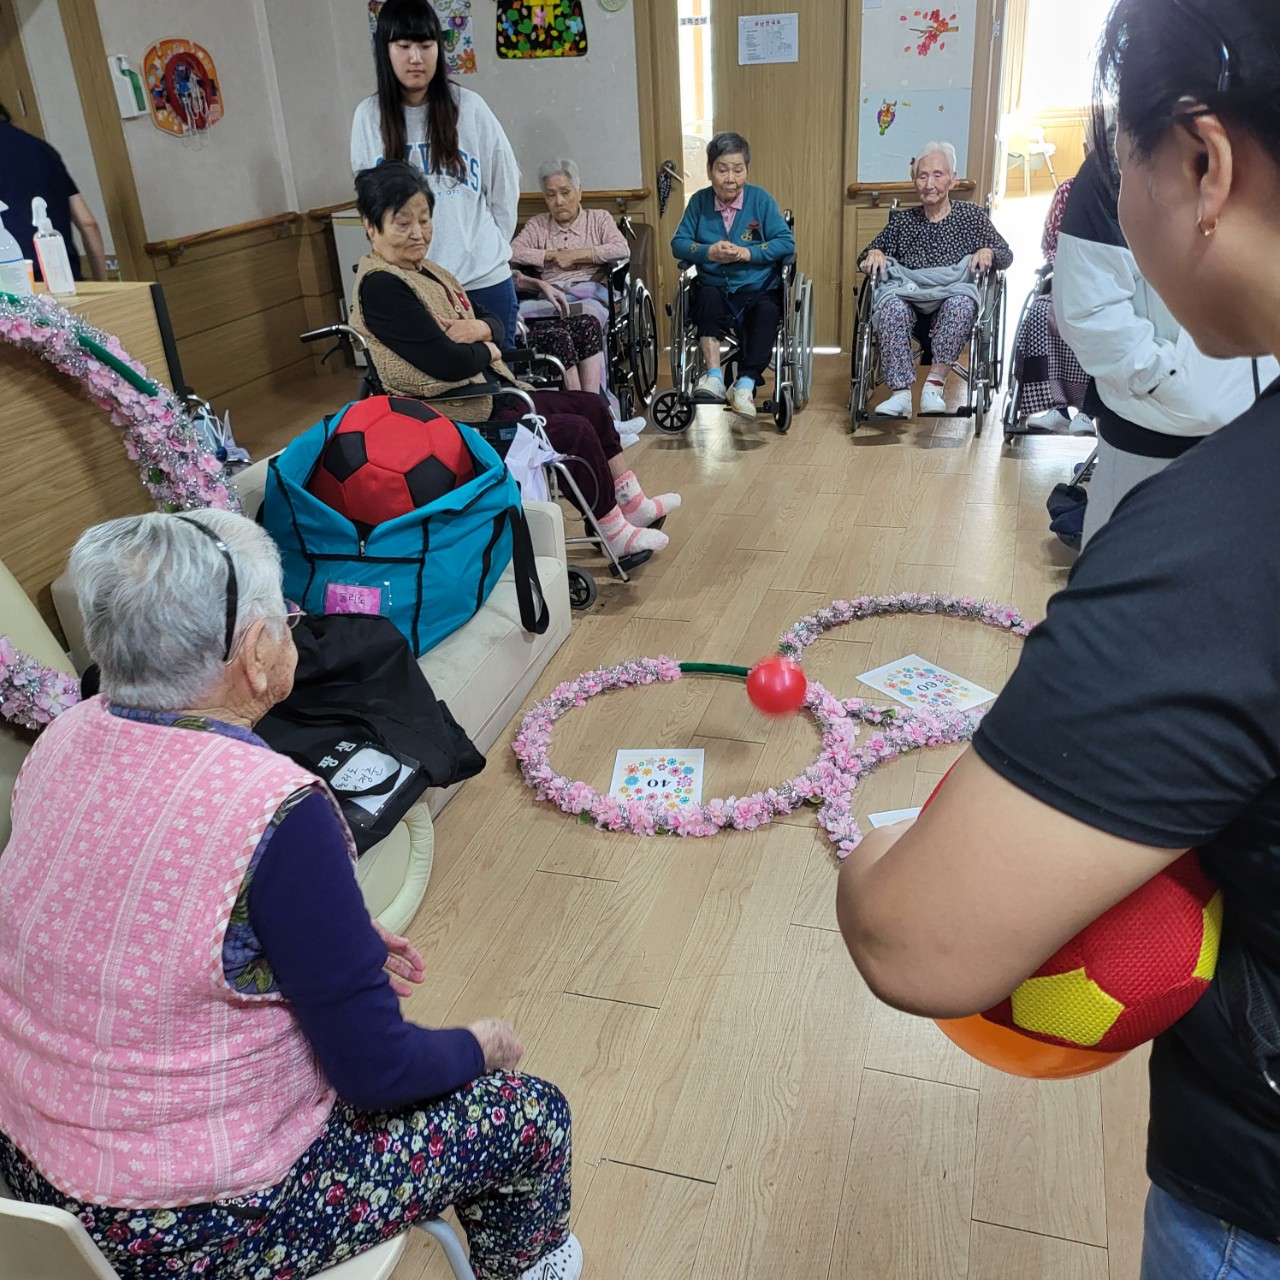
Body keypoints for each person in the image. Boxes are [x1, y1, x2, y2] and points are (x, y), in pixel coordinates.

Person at [836, 2, 1280, 1275]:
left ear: (1201, 163)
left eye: (1117, 160)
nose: (1111, 198)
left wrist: (872, 854)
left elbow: (917, 934)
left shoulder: (1214, 546)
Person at [0, 509, 580, 1280]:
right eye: (286, 620)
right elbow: (376, 1073)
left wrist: (313, 934)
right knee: (530, 1117)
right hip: (187, 1228)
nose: (292, 634)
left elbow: (130, 906)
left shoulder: (66, 736)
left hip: (28, 1175)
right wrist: (480, 1046)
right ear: (254, 654)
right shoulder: (276, 808)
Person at [350, 163, 678, 560]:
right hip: (452, 413)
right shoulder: (382, 286)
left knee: (591, 405)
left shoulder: (430, 271)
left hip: (488, 393)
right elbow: (449, 364)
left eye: (424, 220)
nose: (418, 233)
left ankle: (631, 504)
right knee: (573, 431)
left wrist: (481, 330)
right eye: (403, 224)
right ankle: (612, 532)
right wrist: (489, 347)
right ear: (371, 227)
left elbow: (492, 322)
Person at [1054, 144, 1274, 545]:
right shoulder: (1120, 156)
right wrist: (1167, 382)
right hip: (1153, 437)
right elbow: (1087, 308)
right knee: (1132, 574)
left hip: (1263, 439)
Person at [351, 0, 521, 343]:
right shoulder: (368, 118)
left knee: (500, 375)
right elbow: (371, 208)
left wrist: (485, 251)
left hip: (483, 284)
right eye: (404, 46)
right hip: (411, 288)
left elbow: (505, 187)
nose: (416, 57)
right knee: (423, 379)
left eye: (426, 45)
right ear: (385, 50)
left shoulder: (470, 108)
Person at [858, 141, 1012, 419]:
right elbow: (864, 257)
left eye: (938, 175)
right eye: (922, 176)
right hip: (909, 298)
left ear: (952, 179)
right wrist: (875, 253)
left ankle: (933, 387)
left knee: (962, 303)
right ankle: (901, 394)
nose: (929, 184)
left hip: (952, 298)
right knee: (890, 307)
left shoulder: (970, 217)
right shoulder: (903, 222)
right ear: (914, 181)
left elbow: (1006, 254)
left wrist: (988, 251)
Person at [670, 131, 795, 419]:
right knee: (706, 298)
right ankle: (714, 377)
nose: (730, 178)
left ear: (746, 170)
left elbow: (786, 243)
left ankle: (745, 385)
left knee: (767, 312)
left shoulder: (760, 200)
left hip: (758, 287)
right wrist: (708, 252)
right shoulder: (699, 202)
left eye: (738, 170)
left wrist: (747, 253)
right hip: (715, 286)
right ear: (709, 171)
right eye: (722, 170)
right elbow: (678, 244)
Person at [1010, 175, 1094, 434]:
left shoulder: (1133, 187)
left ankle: (1089, 410)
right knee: (1039, 312)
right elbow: (1050, 242)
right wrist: (1065, 265)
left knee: (1103, 320)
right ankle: (1057, 408)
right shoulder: (1069, 190)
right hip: (1068, 276)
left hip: (1114, 282)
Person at [0, 100, 107, 283]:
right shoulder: (41, 149)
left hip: (13, 288)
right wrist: (101, 284)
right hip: (66, 279)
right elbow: (87, 222)